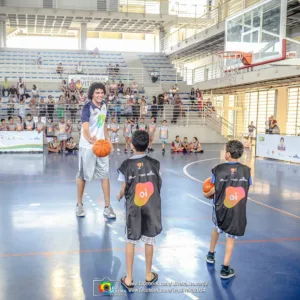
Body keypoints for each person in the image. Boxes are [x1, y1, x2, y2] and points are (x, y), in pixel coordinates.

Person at [117, 130, 162, 290]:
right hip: (151, 206)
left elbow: (124, 187)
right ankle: (148, 275)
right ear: (149, 144)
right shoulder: (155, 164)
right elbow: (158, 184)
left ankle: (129, 279)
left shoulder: (126, 165)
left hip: (134, 208)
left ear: (131, 145)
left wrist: (119, 194)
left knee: (131, 240)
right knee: (149, 241)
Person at [203, 140, 252, 279]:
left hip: (220, 208)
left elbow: (213, 189)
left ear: (228, 154)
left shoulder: (218, 169)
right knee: (230, 238)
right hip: (236, 209)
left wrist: (205, 194)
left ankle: (211, 254)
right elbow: (247, 187)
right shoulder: (246, 170)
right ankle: (225, 269)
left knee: (216, 229)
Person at [76, 82, 116, 219]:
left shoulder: (104, 105)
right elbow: (85, 127)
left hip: (101, 146)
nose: (100, 95)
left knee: (105, 176)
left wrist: (109, 141)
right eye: (97, 92)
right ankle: (79, 205)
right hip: (87, 147)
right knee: (83, 176)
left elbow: (103, 124)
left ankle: (107, 207)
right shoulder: (87, 108)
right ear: (92, 94)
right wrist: (89, 138)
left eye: (101, 92)